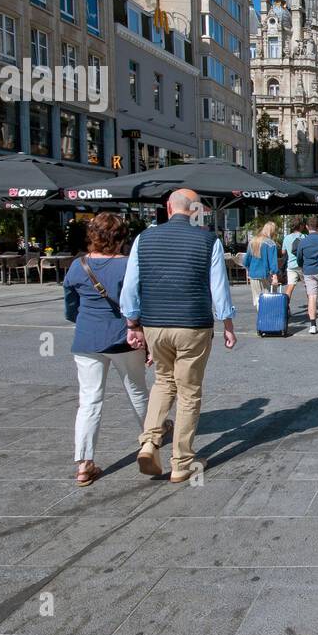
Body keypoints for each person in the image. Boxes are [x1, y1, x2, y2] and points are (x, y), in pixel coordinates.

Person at [120, 189, 237, 482]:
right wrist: (227, 324)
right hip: (193, 324)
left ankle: (149, 442)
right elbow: (219, 288)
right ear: (196, 210)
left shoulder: (144, 239)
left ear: (168, 207)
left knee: (163, 381)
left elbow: (130, 285)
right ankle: (181, 461)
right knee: (189, 391)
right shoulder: (208, 241)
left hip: (155, 324)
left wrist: (132, 323)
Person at [64, 213, 156, 486]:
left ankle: (84, 463)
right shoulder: (129, 265)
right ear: (122, 237)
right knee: (137, 391)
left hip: (87, 340)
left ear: (92, 236)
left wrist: (86, 322)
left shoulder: (78, 265)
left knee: (89, 401)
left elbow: (70, 307)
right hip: (124, 338)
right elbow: (141, 302)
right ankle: (150, 440)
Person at [244, 221, 280, 310]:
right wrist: (275, 275)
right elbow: (273, 262)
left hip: (253, 274)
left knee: (257, 298)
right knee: (268, 296)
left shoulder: (253, 241)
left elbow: (246, 260)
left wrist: (248, 269)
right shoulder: (271, 243)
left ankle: (260, 315)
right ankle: (267, 316)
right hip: (265, 274)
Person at [281, 219, 305, 301]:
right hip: (302, 265)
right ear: (300, 226)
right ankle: (311, 305)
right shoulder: (304, 237)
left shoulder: (287, 238)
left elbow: (283, 252)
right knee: (308, 286)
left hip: (291, 265)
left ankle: (285, 305)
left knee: (290, 286)